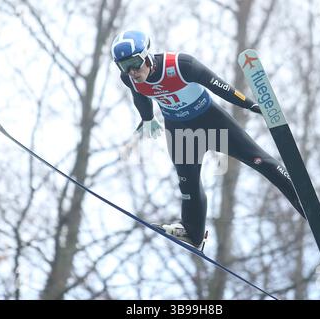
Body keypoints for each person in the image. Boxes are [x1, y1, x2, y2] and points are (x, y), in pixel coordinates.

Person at [111, 30, 305, 248]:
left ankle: (302, 198)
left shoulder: (182, 65)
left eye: (135, 63)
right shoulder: (130, 79)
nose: (132, 71)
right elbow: (140, 96)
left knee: (258, 160)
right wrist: (147, 119)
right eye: (124, 66)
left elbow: (222, 88)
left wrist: (250, 105)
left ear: (147, 55)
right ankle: (193, 233)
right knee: (188, 184)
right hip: (180, 132)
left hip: (212, 122)